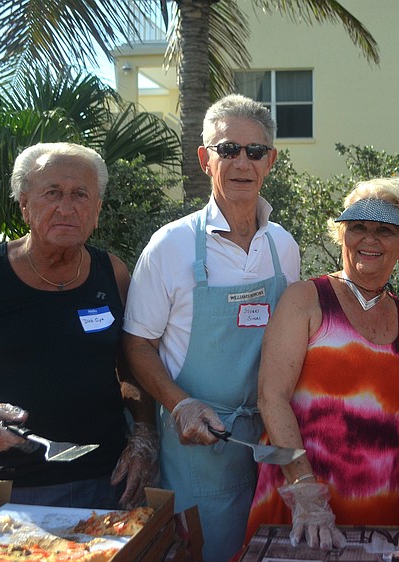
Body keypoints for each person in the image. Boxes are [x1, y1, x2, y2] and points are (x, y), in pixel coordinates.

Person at [0, 142, 159, 509]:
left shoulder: (112, 272)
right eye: (52, 193)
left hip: (110, 479)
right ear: (24, 205)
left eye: (80, 194)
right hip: (17, 486)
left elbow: (132, 368)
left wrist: (144, 434)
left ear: (97, 210)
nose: (66, 208)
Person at [121, 93, 301, 562]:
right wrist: (180, 405)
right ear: (205, 159)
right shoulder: (170, 247)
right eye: (228, 149)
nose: (242, 162)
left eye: (255, 151)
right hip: (197, 450)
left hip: (267, 444)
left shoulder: (284, 247)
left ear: (270, 161)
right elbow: (137, 344)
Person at [244, 177, 399, 551]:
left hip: (377, 510)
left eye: (385, 230)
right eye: (358, 226)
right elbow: (270, 398)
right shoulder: (305, 300)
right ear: (342, 233)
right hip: (297, 507)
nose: (369, 239)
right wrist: (305, 492)